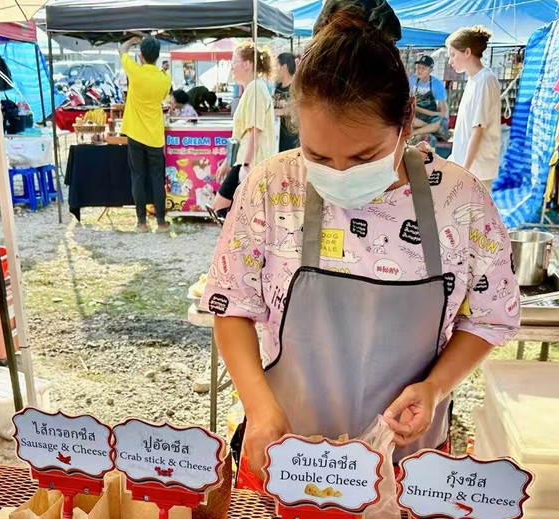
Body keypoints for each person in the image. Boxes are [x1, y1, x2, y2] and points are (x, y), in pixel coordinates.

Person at [201, 0, 518, 481]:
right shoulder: (271, 187)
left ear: (406, 124)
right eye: (318, 156)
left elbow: (491, 317)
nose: (340, 174)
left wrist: (434, 387)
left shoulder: (459, 199)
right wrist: (260, 409)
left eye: (364, 156)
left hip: (406, 464)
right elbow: (232, 306)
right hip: (287, 457)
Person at [212, 42, 276, 219]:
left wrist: (245, 166)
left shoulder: (255, 88)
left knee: (221, 208)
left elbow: (254, 131)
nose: (232, 68)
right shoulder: (254, 88)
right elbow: (242, 134)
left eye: (234, 63)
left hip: (251, 162)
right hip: (246, 161)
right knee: (230, 210)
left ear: (247, 64)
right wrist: (229, 162)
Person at [119, 36, 172, 232]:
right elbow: (164, 98)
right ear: (158, 56)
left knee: (138, 177)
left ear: (141, 55)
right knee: (157, 178)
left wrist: (132, 40)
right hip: (155, 135)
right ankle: (161, 222)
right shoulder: (164, 79)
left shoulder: (135, 71)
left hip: (135, 132)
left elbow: (121, 50)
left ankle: (141, 222)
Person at [447, 26, 501, 188]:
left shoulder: (485, 80)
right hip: (467, 168)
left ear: (467, 52)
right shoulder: (473, 80)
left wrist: (465, 170)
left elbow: (478, 130)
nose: (450, 61)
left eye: (453, 55)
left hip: (476, 171)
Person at [409, 54, 449, 146]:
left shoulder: (437, 84)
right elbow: (411, 105)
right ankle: (430, 128)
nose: (419, 70)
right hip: (416, 116)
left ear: (430, 70)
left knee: (441, 122)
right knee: (407, 120)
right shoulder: (411, 81)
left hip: (431, 118)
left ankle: (415, 132)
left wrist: (435, 115)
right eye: (418, 67)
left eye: (423, 68)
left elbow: (442, 111)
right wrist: (433, 114)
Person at [274, 52, 300, 151]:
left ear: (284, 67)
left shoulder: (296, 88)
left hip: (293, 140)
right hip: (278, 139)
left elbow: (296, 109)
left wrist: (283, 110)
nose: (274, 70)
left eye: (276, 66)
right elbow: (275, 111)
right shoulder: (277, 88)